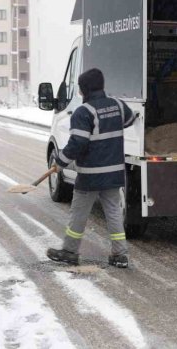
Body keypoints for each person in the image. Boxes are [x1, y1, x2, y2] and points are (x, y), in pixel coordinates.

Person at [46, 68, 137, 268]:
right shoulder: (118, 106)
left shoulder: (83, 112)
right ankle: (120, 255)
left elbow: (78, 143)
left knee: (78, 214)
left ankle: (70, 251)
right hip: (114, 173)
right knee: (113, 213)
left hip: (90, 176)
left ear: (84, 89)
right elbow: (131, 119)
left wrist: (60, 162)